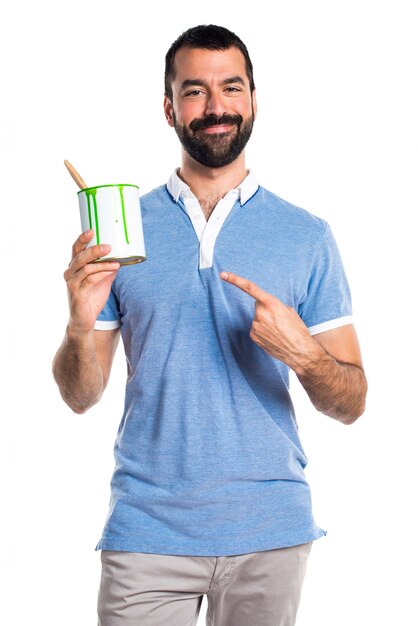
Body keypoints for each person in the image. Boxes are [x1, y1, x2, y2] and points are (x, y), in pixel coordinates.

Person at [53, 24, 367, 626]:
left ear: (253, 100)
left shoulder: (307, 236)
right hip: (147, 526)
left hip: (270, 527)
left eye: (231, 87)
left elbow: (351, 403)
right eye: (194, 91)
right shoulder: (121, 232)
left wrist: (303, 356)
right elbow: (79, 396)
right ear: (169, 108)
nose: (215, 107)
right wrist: (77, 326)